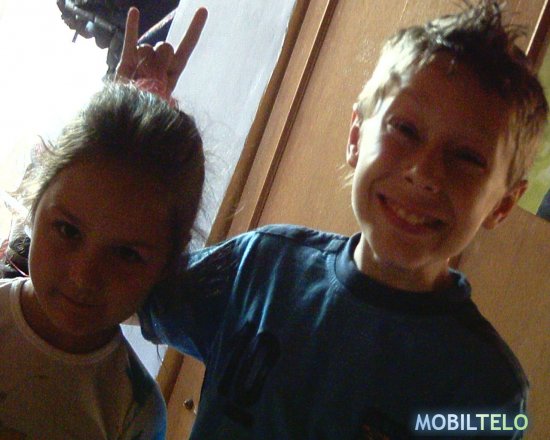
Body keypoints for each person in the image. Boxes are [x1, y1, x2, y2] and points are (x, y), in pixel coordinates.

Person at [135, 1, 548, 438]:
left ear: (502, 205)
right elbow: (129, 291)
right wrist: (130, 135)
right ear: (356, 136)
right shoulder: (262, 266)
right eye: (405, 129)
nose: (424, 172)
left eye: (466, 157)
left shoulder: (488, 393)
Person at [0, 8, 207, 436]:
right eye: (67, 230)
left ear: (166, 265)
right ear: (35, 203)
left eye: (126, 255)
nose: (83, 276)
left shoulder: (133, 411)